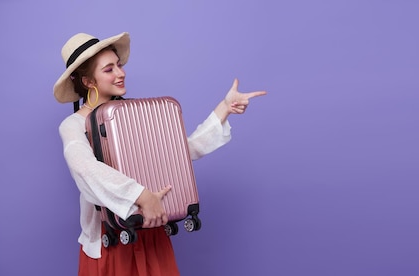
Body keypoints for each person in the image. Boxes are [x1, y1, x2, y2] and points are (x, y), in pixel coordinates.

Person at [53, 32, 267, 276]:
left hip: (151, 226)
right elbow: (84, 169)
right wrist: (142, 195)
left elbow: (176, 153)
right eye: (109, 69)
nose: (121, 73)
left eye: (119, 65)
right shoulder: (73, 125)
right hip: (110, 239)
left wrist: (224, 109)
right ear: (89, 81)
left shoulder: (132, 113)